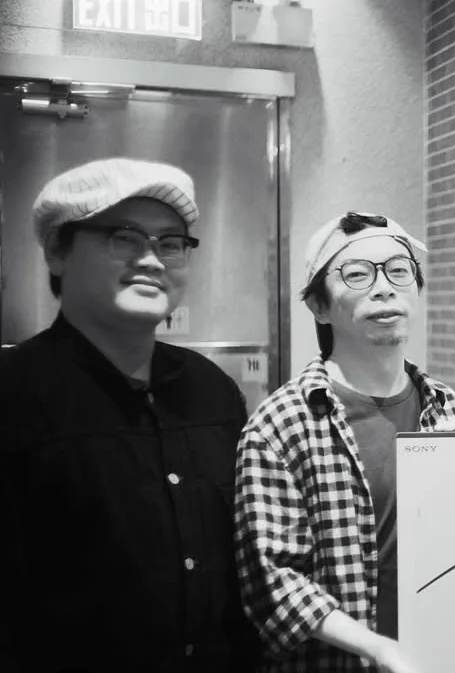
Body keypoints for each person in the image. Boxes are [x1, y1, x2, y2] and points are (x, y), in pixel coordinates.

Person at [0, 158, 258, 672]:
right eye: (124, 237)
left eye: (171, 243)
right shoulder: (13, 393)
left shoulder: (213, 391)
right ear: (57, 252)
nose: (152, 260)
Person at [234, 211, 455, 672]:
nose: (384, 287)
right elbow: (273, 580)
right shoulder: (280, 425)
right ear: (319, 306)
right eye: (357, 274)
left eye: (399, 270)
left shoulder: (451, 411)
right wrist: (376, 647)